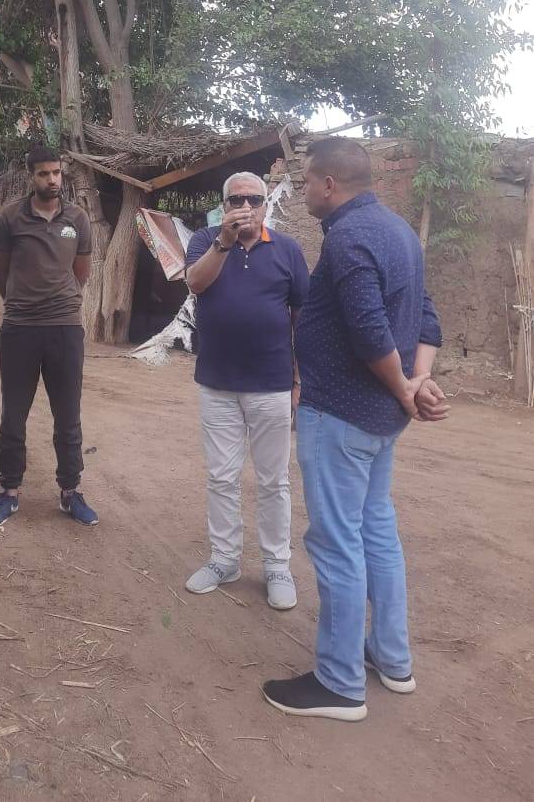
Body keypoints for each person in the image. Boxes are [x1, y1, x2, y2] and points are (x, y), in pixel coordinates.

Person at [262, 138, 449, 722]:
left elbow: (370, 331)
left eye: (307, 181)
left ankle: (340, 683)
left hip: (340, 416)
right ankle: (391, 659)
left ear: (329, 184)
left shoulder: (347, 238)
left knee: (337, 542)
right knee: (376, 533)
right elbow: (426, 316)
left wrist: (405, 387)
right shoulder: (399, 233)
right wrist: (416, 382)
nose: (304, 191)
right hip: (380, 420)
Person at [183, 172, 310, 609]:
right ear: (224, 205)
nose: (245, 207)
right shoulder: (205, 241)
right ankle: (224, 560)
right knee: (221, 477)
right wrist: (224, 241)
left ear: (265, 205)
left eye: (254, 199)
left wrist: (298, 380)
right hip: (217, 384)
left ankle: (277, 566)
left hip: (272, 384)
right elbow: (195, 283)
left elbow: (301, 319)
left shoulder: (287, 250)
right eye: (236, 199)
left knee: (274, 481)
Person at [0, 147, 99, 528]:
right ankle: (9, 491)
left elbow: (81, 273)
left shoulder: (77, 219)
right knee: (13, 415)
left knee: (68, 415)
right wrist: (21, 303)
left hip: (65, 329)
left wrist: (60, 302)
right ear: (30, 176)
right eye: (44, 173)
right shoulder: (10, 218)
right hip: (19, 329)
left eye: (57, 173)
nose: (52, 180)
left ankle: (70, 491)